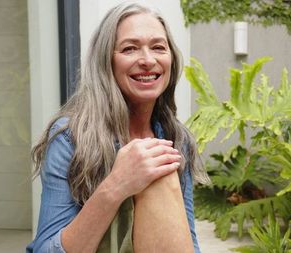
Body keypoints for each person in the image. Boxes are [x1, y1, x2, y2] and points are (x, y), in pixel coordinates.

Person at [26, 2, 209, 253]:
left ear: (171, 60)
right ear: (106, 62)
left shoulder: (177, 139)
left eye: (158, 47)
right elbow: (46, 250)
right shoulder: (70, 137)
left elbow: (187, 239)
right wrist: (117, 185)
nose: (147, 60)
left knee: (156, 162)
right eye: (129, 49)